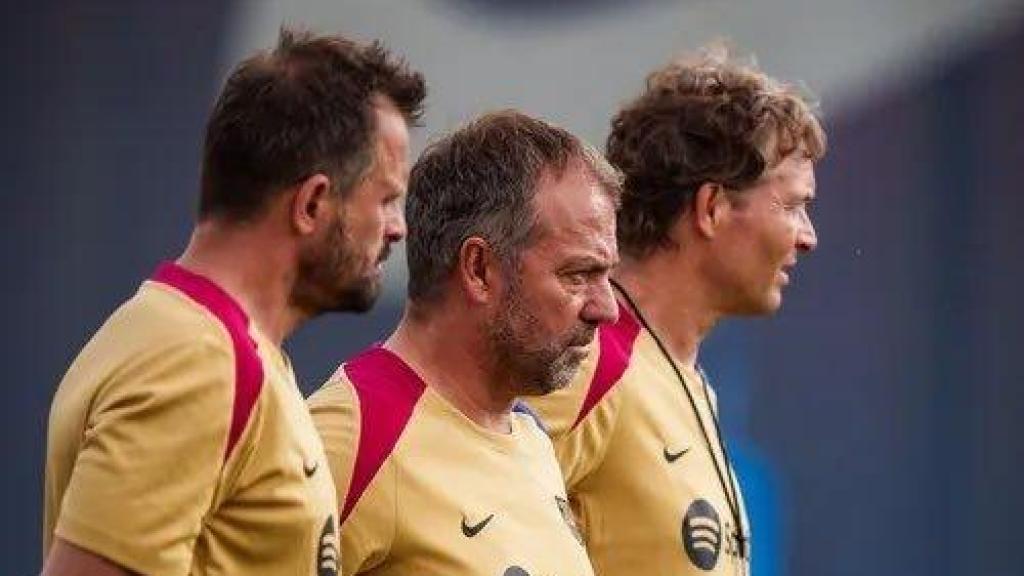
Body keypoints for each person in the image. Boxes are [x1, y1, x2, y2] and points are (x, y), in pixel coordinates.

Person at [42, 29, 425, 576]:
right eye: (386, 198)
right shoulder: (199, 361)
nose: (398, 228)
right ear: (313, 202)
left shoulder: (207, 346)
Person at [526, 49, 827, 576]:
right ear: (711, 209)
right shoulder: (590, 358)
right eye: (792, 206)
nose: (808, 237)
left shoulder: (680, 376)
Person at [307, 110, 622, 576]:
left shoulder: (530, 435)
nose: (608, 309)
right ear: (478, 269)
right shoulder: (352, 434)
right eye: (578, 275)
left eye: (608, 276)